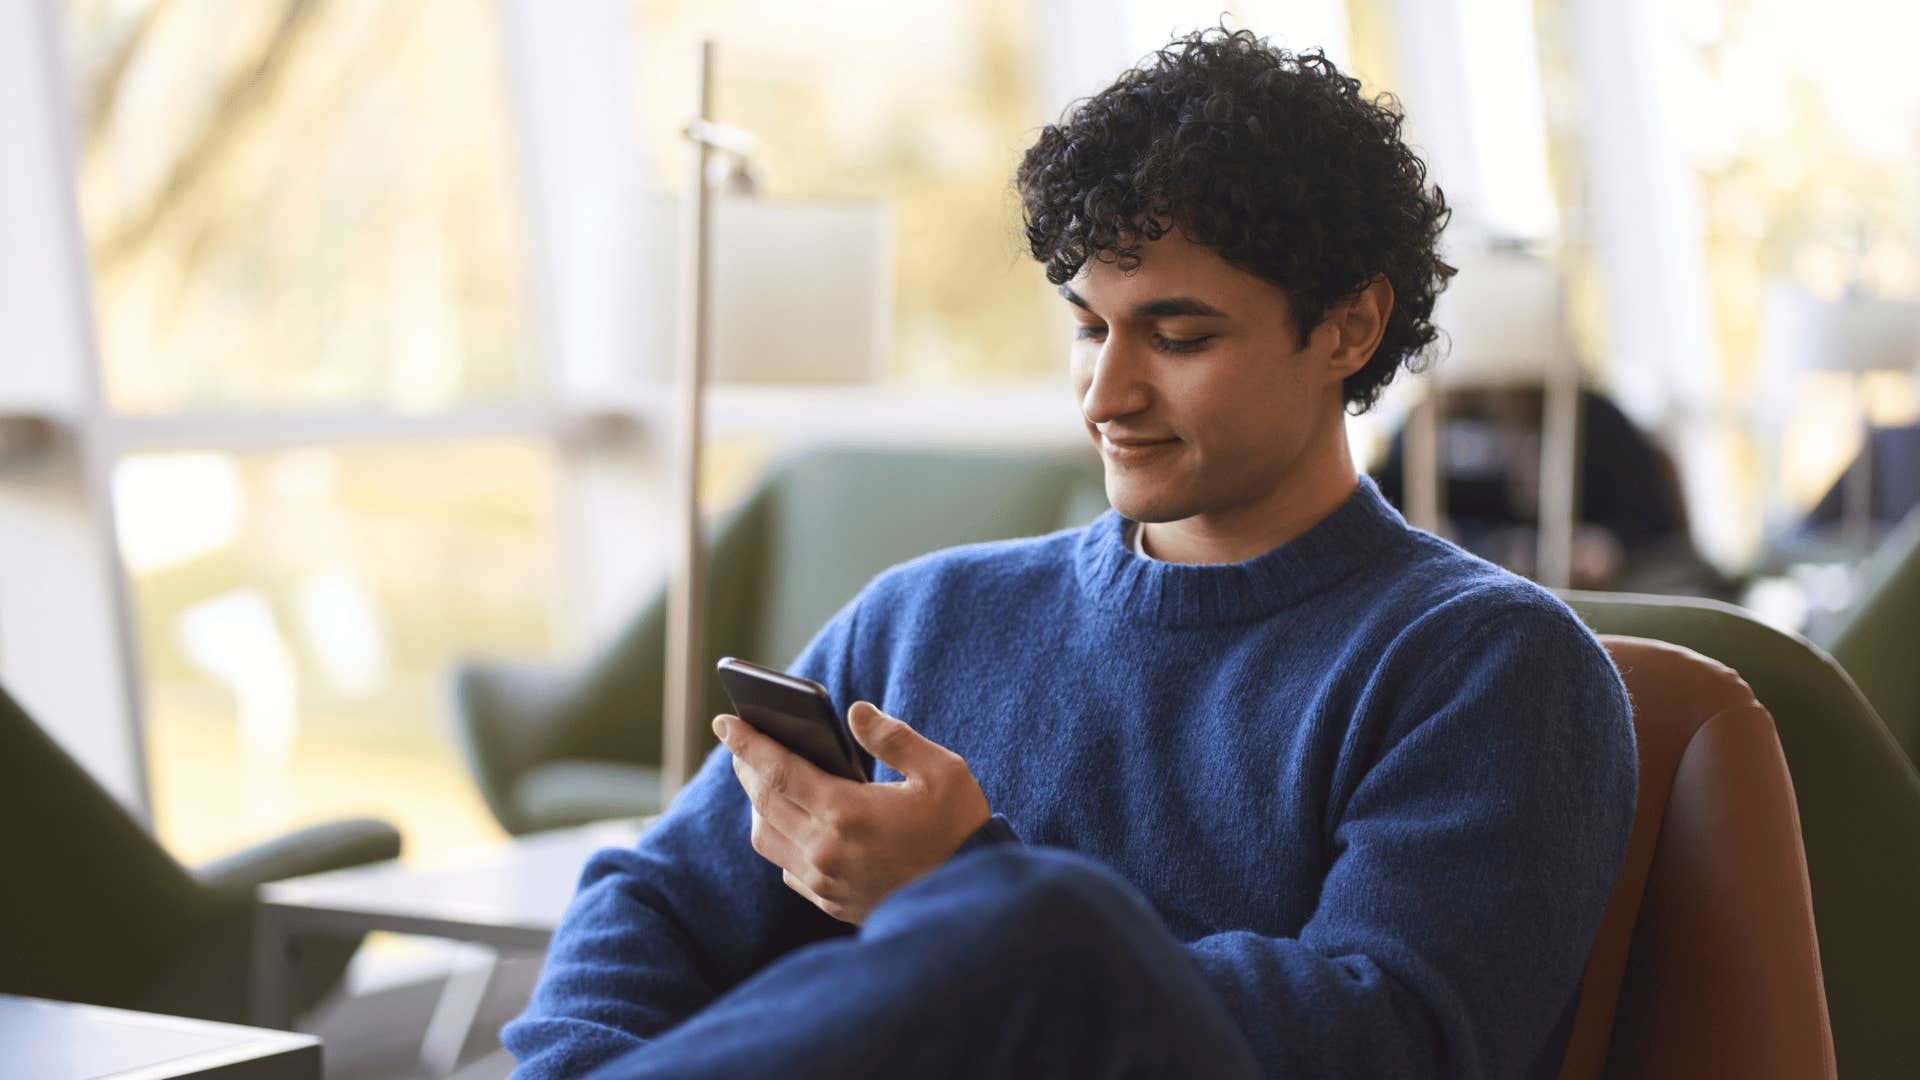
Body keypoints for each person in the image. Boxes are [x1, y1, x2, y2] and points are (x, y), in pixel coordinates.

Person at [504, 26, 1636, 1079]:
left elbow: (1394, 1038)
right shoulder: (927, 617)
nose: (1106, 395)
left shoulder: (1494, 667)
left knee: (1048, 928)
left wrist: (964, 895)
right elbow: (649, 903)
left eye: (1179, 336)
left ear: (1349, 326)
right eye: (1091, 327)